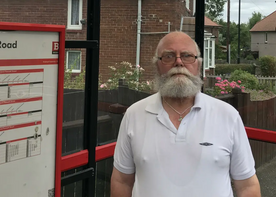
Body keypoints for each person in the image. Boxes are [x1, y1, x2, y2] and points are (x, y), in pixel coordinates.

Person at [111, 31, 261, 197]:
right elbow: (122, 181)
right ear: (157, 66)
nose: (179, 62)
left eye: (187, 56)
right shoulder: (134, 114)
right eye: (168, 56)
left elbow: (247, 185)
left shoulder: (227, 115)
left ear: (198, 64)